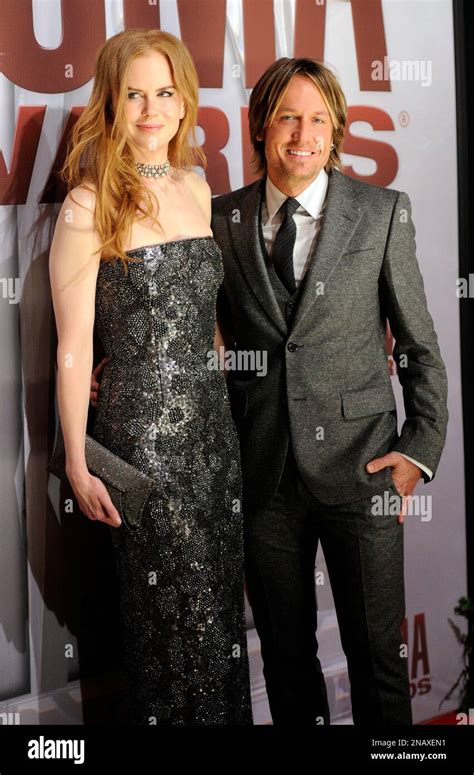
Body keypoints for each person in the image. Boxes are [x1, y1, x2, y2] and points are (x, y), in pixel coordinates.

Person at [211, 58, 448, 726]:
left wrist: (416, 451)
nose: (302, 134)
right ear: (261, 125)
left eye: (318, 118)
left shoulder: (380, 212)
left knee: (377, 658)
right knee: (286, 661)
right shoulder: (220, 220)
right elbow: (214, 339)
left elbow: (419, 345)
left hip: (363, 467)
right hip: (265, 478)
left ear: (338, 128)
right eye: (287, 115)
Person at [49, 29, 252, 726]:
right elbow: (74, 346)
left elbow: (207, 318)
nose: (151, 110)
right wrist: (78, 461)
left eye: (164, 92)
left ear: (184, 99)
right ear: (111, 103)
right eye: (133, 94)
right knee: (171, 624)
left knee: (221, 623)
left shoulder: (197, 185)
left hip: (214, 445)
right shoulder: (89, 203)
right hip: (144, 450)